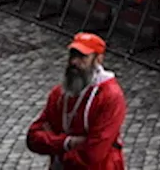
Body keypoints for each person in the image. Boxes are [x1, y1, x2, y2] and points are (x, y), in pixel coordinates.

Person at [27, 32, 127, 169]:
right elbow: (33, 138)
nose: (74, 62)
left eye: (82, 57)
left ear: (99, 59)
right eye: (72, 55)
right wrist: (68, 143)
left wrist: (56, 147)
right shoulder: (60, 94)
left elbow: (93, 153)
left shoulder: (110, 97)